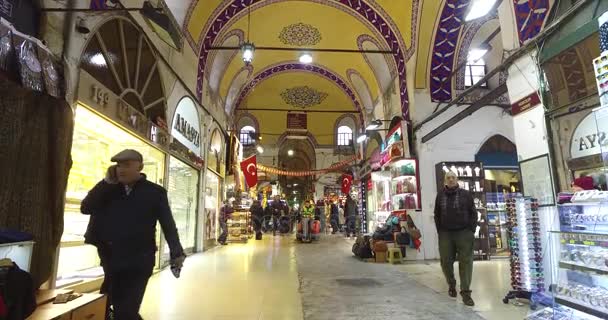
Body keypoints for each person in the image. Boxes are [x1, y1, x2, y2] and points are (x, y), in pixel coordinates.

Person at [81, 149, 185, 320]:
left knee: (126, 311)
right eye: (119, 165)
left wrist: (176, 252)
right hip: (112, 260)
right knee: (106, 307)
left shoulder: (154, 193)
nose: (121, 169)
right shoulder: (110, 189)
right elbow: (86, 207)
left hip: (139, 261)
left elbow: (168, 224)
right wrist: (106, 182)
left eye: (127, 165)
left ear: (140, 167)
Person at [434, 171, 478, 307]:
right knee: (445, 262)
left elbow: (473, 213)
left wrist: (471, 230)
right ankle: (451, 284)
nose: (451, 180)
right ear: (445, 181)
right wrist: (440, 231)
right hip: (446, 233)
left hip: (464, 232)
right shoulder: (440, 195)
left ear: (457, 179)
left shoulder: (465, 194)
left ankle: (466, 293)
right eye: (448, 178)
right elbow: (437, 214)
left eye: (453, 177)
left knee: (466, 262)